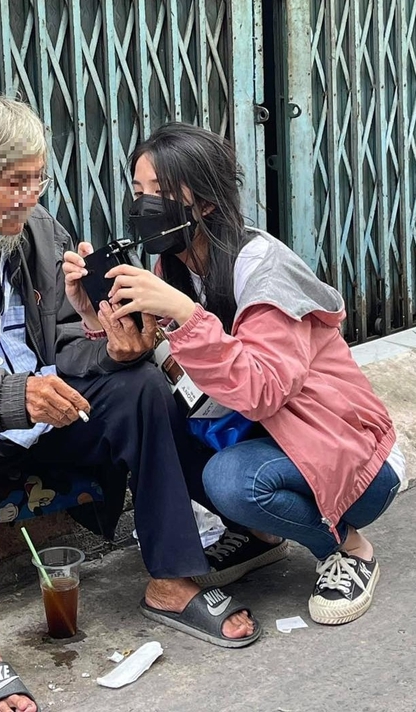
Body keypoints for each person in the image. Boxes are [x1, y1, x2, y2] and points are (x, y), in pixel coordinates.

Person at [0, 97, 261, 712]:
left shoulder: (40, 233)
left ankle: (172, 578)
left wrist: (112, 349)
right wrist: (10, 396)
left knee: (140, 385)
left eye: (38, 177)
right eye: (16, 182)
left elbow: (69, 343)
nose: (32, 196)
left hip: (49, 416)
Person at [66, 121, 403, 628]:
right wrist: (101, 321)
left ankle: (348, 548)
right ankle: (259, 535)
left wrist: (185, 313)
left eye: (161, 192)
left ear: (205, 202)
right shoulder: (174, 269)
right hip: (266, 441)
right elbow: (180, 376)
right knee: (153, 411)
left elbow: (263, 389)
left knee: (229, 479)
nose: (144, 206)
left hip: (349, 456)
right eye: (138, 192)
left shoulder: (263, 269)